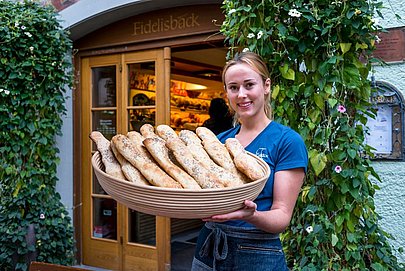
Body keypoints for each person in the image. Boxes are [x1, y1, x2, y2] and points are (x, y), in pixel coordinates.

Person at [191, 52, 308, 271]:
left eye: (249, 85)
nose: (242, 94)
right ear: (226, 92)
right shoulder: (220, 141)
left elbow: (281, 217)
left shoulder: (287, 141)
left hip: (257, 252)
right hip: (209, 246)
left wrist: (251, 215)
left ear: (266, 86)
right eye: (233, 87)